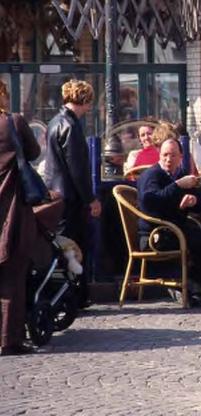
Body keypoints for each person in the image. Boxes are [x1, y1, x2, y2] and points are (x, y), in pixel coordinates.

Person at [137, 140, 201, 303]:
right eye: (165, 155)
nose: (168, 159)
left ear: (180, 157)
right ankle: (191, 287)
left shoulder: (180, 174)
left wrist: (193, 200)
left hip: (176, 229)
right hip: (155, 234)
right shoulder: (152, 175)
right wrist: (178, 185)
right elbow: (150, 202)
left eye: (173, 155)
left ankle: (197, 286)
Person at [43, 79, 99, 307]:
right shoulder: (71, 126)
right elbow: (77, 169)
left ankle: (67, 294)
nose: (89, 108)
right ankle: (75, 295)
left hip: (56, 194)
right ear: (84, 100)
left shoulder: (55, 121)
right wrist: (91, 199)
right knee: (75, 248)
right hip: (71, 199)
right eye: (88, 103)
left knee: (62, 247)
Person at [0, 97, 41, 356]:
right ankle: (8, 339)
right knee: (13, 275)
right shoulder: (12, 122)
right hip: (10, 207)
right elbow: (35, 152)